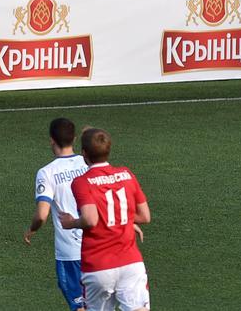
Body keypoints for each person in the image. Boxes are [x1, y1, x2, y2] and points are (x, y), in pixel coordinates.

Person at [58, 128, 152, 311]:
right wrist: (120, 219)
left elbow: (90, 219)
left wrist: (71, 223)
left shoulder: (82, 182)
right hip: (131, 262)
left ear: (84, 153)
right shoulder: (127, 174)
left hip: (98, 265)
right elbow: (145, 216)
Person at [23, 118, 88, 311]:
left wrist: (31, 229)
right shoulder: (88, 163)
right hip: (97, 247)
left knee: (80, 307)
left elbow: (41, 215)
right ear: (74, 138)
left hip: (70, 253)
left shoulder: (47, 172)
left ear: (51, 139)